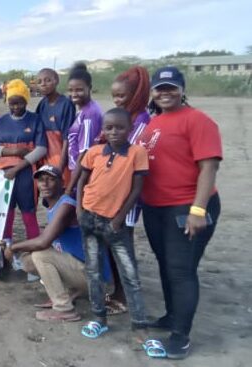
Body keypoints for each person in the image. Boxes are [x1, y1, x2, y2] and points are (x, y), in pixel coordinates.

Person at [137, 67, 222, 359]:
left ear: (182, 89)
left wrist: (197, 210)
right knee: (166, 264)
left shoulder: (198, 121)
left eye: (171, 87)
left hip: (187, 205)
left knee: (181, 270)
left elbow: (209, 166)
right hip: (156, 207)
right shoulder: (155, 122)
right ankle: (172, 316)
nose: (165, 92)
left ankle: (180, 337)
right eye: (160, 88)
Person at [76, 108, 149, 340]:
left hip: (114, 223)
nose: (114, 132)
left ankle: (139, 326)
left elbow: (137, 189)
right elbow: (81, 180)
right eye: (109, 128)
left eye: (119, 127)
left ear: (129, 129)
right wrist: (79, 209)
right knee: (93, 271)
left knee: (130, 274)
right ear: (103, 129)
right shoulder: (95, 152)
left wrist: (119, 219)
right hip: (89, 218)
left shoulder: (137, 153)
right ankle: (99, 317)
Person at [3, 165, 101, 322]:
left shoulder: (66, 205)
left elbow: (43, 242)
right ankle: (69, 291)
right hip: (77, 268)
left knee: (41, 255)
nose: (45, 184)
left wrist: (14, 247)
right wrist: (15, 248)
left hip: (91, 275)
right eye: (41, 180)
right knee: (27, 259)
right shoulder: (54, 204)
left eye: (51, 180)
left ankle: (64, 309)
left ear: (62, 183)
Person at [104, 66, 152, 315]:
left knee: (122, 243)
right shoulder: (125, 118)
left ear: (136, 95)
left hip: (128, 193)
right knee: (114, 243)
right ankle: (119, 289)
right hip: (114, 190)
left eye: (122, 96)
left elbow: (129, 156)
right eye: (114, 97)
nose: (117, 101)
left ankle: (124, 295)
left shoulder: (142, 121)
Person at [0, 79, 46, 243]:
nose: (15, 107)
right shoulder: (2, 121)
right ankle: (7, 247)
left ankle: (34, 248)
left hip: (26, 173)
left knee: (28, 211)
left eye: (19, 103)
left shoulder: (35, 120)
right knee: (6, 211)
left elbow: (41, 148)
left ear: (26, 101)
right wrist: (13, 151)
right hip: (3, 173)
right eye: (12, 103)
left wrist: (16, 169)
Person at [65, 63, 103, 193]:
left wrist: (70, 187)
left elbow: (84, 153)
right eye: (70, 90)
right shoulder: (84, 110)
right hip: (78, 172)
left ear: (89, 88)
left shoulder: (89, 114)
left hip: (83, 174)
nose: (74, 94)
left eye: (79, 90)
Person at [35, 68, 75, 182]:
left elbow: (67, 139)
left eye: (47, 80)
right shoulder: (42, 104)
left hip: (60, 163)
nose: (43, 84)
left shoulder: (66, 104)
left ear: (56, 81)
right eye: (39, 82)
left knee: (61, 195)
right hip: (46, 162)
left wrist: (60, 169)